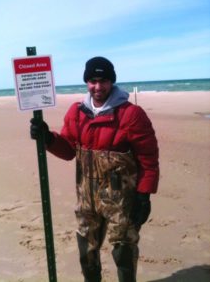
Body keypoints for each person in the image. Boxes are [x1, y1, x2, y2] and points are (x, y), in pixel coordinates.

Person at [30, 56, 159, 282]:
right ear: (87, 82)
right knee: (86, 252)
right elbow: (69, 150)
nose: (98, 86)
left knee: (123, 252)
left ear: (112, 82)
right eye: (92, 81)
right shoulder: (77, 112)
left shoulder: (132, 115)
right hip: (86, 199)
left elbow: (148, 159)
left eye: (104, 81)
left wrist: (144, 195)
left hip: (122, 202)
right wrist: (48, 138)